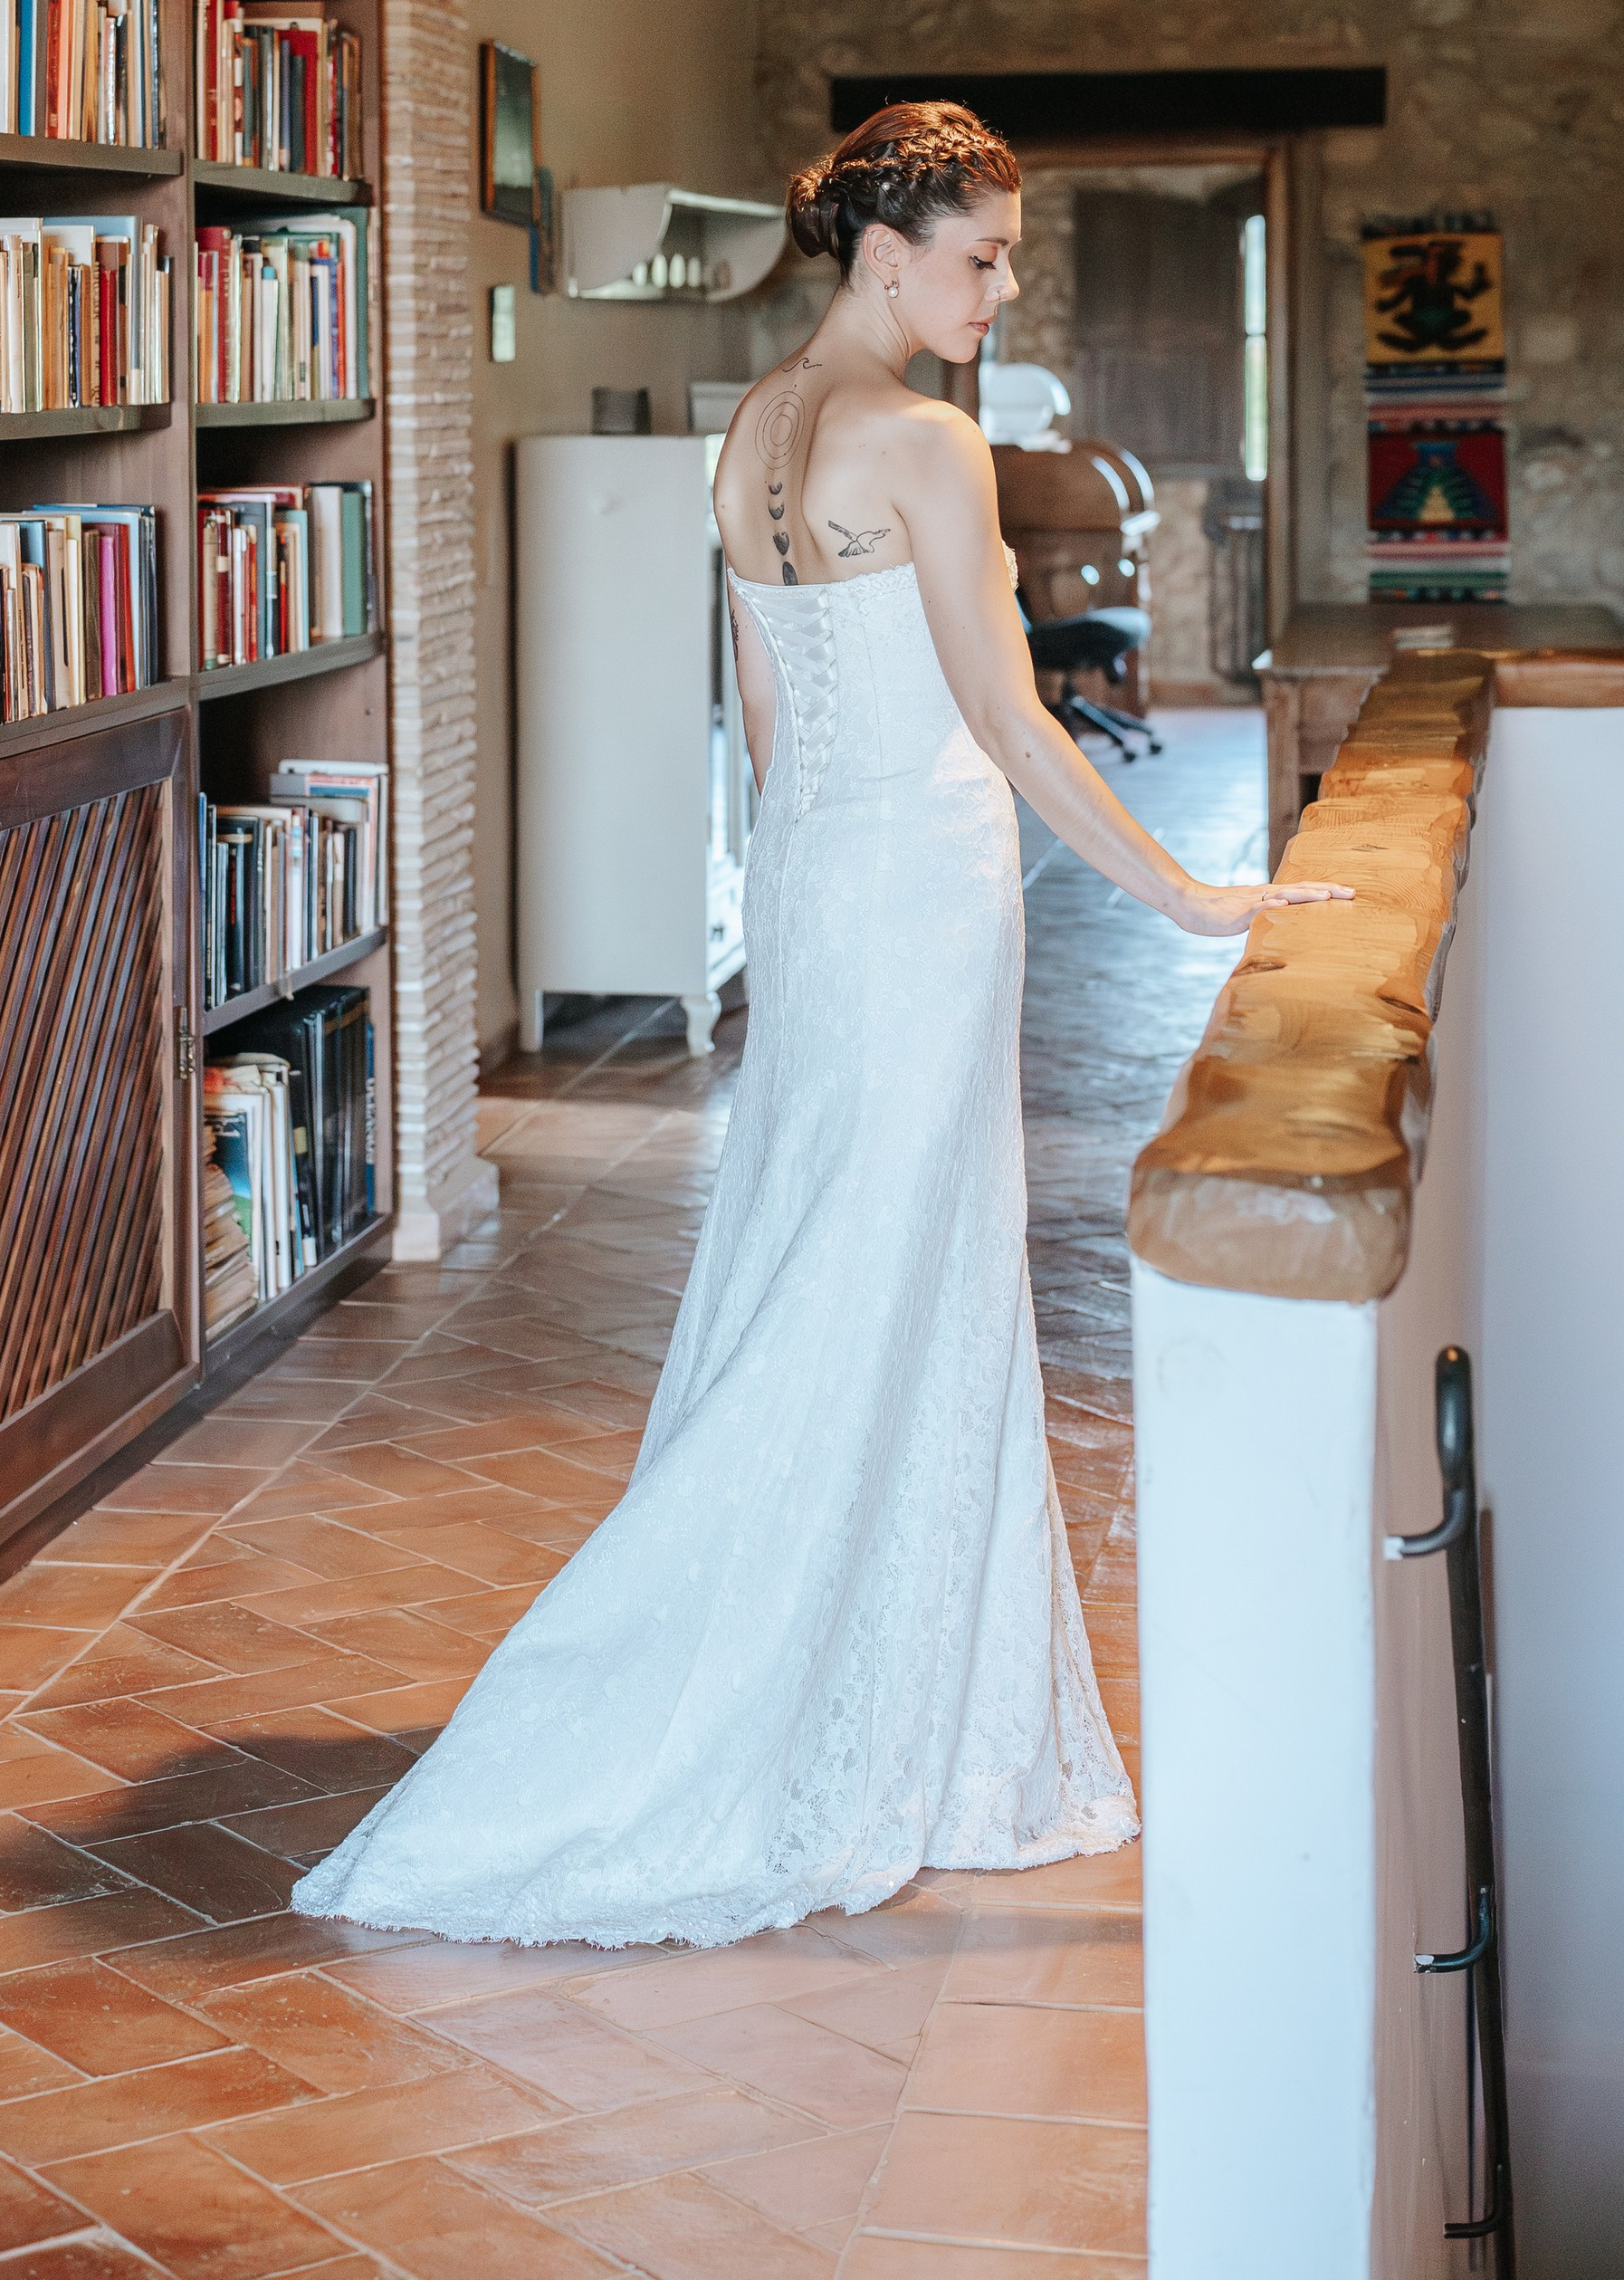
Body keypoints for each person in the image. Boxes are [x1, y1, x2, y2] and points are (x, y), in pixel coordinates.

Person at [292, 100, 1349, 1949]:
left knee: (835, 1256)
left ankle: (899, 1710)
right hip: (920, 900)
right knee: (896, 1279)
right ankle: (815, 1700)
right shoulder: (920, 441)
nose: (999, 287)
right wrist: (1193, 897)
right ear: (882, 255)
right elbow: (1011, 723)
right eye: (980, 255)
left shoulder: (752, 432)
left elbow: (769, 725)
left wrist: (806, 896)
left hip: (815, 882)